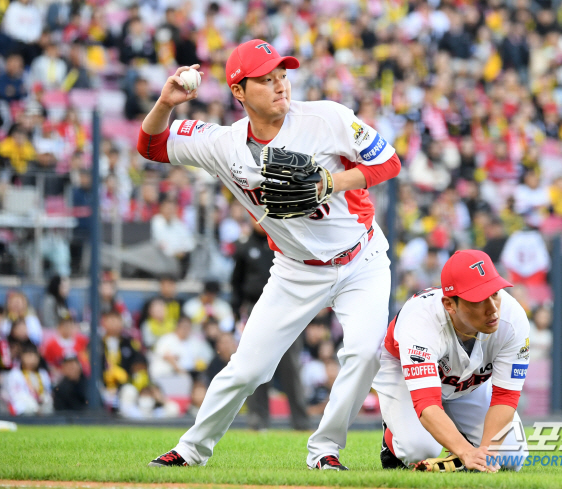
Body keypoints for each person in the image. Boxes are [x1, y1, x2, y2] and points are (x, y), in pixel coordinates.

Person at [139, 39, 400, 470]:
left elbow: (388, 162)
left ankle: (325, 451)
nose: (281, 86)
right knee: (247, 369)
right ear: (239, 92)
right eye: (266, 79)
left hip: (361, 259)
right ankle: (190, 450)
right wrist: (165, 103)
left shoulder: (326, 117)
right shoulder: (221, 143)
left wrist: (331, 183)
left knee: (364, 352)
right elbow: (151, 147)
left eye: (282, 76)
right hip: (295, 270)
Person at [373, 250, 530, 471]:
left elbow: (506, 396)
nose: (492, 308)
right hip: (403, 374)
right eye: (479, 299)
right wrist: (466, 452)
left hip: (467, 382)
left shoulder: (512, 318)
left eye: (494, 292)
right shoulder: (421, 321)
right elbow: (426, 401)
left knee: (511, 456)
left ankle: (460, 441)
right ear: (449, 304)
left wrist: (484, 455)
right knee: (418, 450)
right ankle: (392, 438)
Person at [231, 221, 309, 431]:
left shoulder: (284, 241)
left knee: (290, 367)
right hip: (256, 308)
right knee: (256, 364)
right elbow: (236, 284)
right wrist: (236, 313)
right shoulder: (244, 247)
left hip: (287, 308)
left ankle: (300, 422)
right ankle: (258, 420)